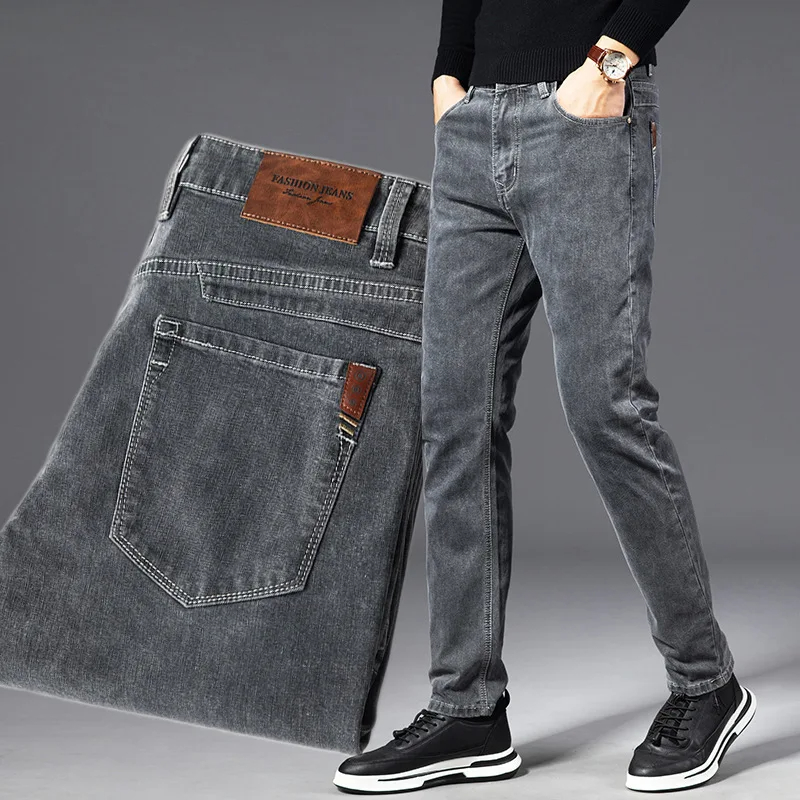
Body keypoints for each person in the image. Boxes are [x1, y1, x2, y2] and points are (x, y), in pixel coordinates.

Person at [333, 0, 757, 793]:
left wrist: (607, 64)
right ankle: (467, 709)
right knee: (453, 417)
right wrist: (448, 80)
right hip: (473, 127)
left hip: (584, 119)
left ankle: (707, 683)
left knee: (605, 407)